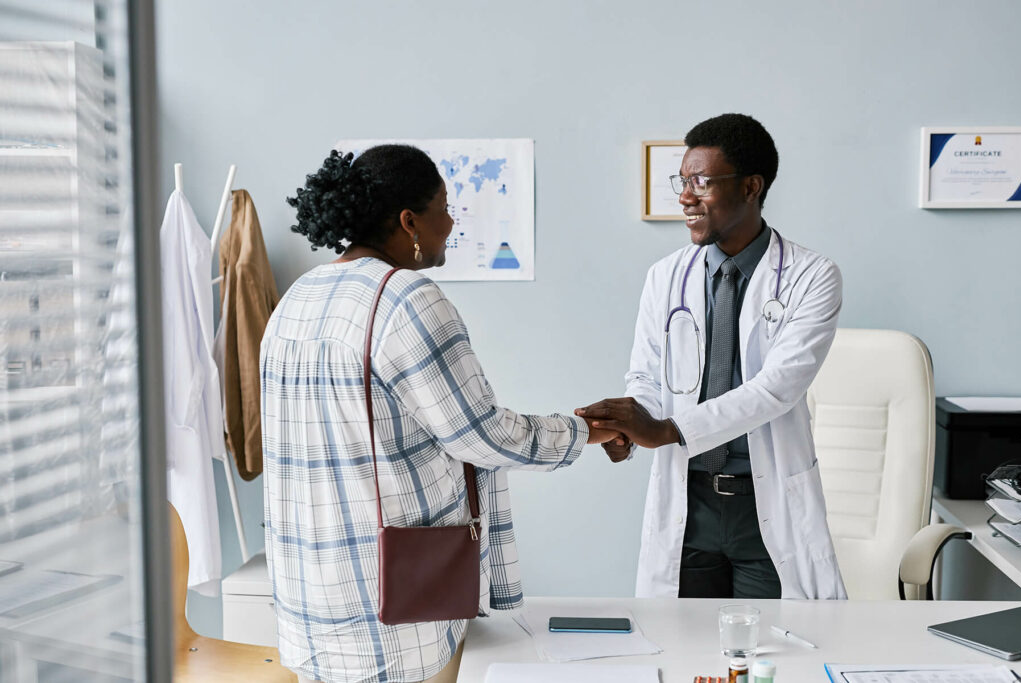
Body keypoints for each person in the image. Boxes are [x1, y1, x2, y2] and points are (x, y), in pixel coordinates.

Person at [261, 145, 618, 683]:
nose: (451, 222)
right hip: (392, 610)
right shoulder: (405, 298)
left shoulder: (297, 298)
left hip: (309, 598)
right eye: (445, 207)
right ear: (410, 222)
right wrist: (589, 429)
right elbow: (483, 436)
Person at [577, 114, 847, 600]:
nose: (685, 196)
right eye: (682, 181)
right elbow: (647, 375)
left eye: (701, 182)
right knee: (683, 653)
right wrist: (631, 425)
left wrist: (665, 431)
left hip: (764, 509)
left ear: (750, 187)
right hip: (690, 500)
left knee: (777, 656)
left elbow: (775, 389)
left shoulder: (813, 276)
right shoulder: (665, 276)